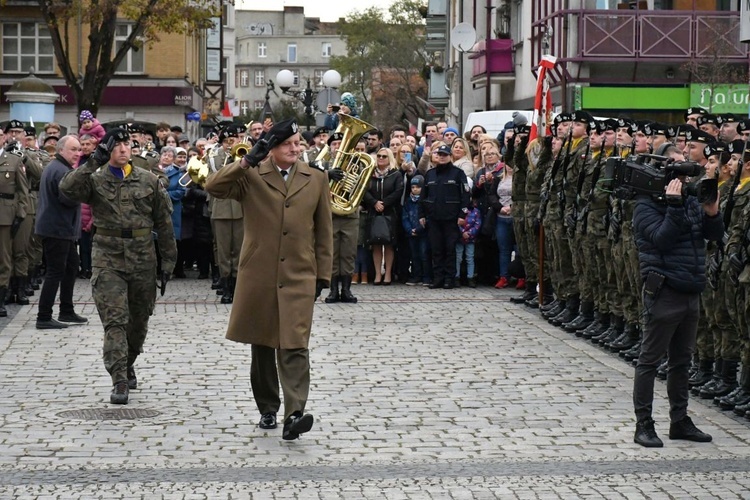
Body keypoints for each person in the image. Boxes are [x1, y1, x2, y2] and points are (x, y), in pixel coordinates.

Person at [205, 118, 333, 440]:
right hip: (259, 273)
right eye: (287, 144)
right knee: (262, 343)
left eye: (298, 143)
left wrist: (323, 274)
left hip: (299, 273)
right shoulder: (250, 177)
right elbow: (214, 186)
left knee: (295, 343)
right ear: (272, 148)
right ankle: (267, 407)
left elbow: (325, 232)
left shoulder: (315, 178)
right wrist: (246, 160)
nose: (295, 148)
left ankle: (295, 413)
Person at [59, 128, 176, 405]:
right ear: (107, 149)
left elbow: (164, 223)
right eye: (117, 145)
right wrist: (92, 161)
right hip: (107, 258)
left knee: (138, 321)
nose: (123, 149)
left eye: (127, 144)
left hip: (142, 258)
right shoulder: (95, 179)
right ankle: (119, 378)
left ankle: (129, 361)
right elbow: (66, 188)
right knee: (115, 321)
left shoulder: (148, 181)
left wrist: (168, 260)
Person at [631, 173, 724, 447]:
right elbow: (662, 240)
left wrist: (712, 213)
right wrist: (674, 205)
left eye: (686, 177)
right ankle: (644, 424)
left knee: (682, 361)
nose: (684, 182)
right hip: (664, 289)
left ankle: (679, 420)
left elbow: (713, 236)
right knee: (650, 360)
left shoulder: (692, 200)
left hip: (690, 288)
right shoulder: (645, 205)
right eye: (678, 177)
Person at [34, 135, 87, 329]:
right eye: (73, 149)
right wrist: (84, 191)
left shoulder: (60, 168)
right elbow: (67, 199)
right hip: (56, 228)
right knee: (55, 271)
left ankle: (66, 310)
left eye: (79, 149)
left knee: (72, 265)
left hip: (61, 228)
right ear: (61, 150)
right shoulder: (61, 171)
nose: (77, 153)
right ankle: (43, 316)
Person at [419, 144, 471, 289]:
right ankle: (438, 278)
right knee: (436, 250)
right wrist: (421, 214)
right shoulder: (430, 174)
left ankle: (449, 279)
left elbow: (466, 195)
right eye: (439, 154)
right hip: (433, 219)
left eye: (444, 155)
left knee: (450, 249)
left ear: (450, 156)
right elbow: (423, 196)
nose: (442, 157)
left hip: (451, 219)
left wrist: (462, 214)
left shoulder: (458, 173)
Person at [0, 126, 30, 318]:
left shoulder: (13, 160)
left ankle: (1, 298)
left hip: (5, 214)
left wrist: (20, 214)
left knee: (4, 257)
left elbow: (22, 190)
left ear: (3, 138)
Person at [363, 147, 403, 285]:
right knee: (376, 244)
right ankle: (377, 274)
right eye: (379, 156)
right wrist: (374, 203)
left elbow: (398, 191)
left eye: (384, 156)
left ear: (390, 158)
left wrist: (384, 203)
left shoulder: (395, 174)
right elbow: (363, 189)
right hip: (373, 211)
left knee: (389, 244)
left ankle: (388, 273)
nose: (380, 158)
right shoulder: (369, 173)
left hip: (390, 211)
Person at [402, 175, 429, 286]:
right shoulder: (408, 202)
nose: (415, 189)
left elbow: (427, 218)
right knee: (414, 255)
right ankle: (416, 276)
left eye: (418, 187)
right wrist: (409, 230)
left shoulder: (426, 201)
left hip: (423, 233)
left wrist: (418, 229)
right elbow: (404, 217)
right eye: (413, 187)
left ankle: (426, 277)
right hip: (411, 233)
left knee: (424, 254)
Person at [456, 195, 482, 287]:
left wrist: (470, 233)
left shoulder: (476, 211)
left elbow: (477, 224)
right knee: (458, 258)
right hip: (460, 238)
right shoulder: (459, 211)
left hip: (471, 239)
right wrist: (462, 232)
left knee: (470, 258)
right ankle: (457, 277)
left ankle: (470, 277)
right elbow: (457, 223)